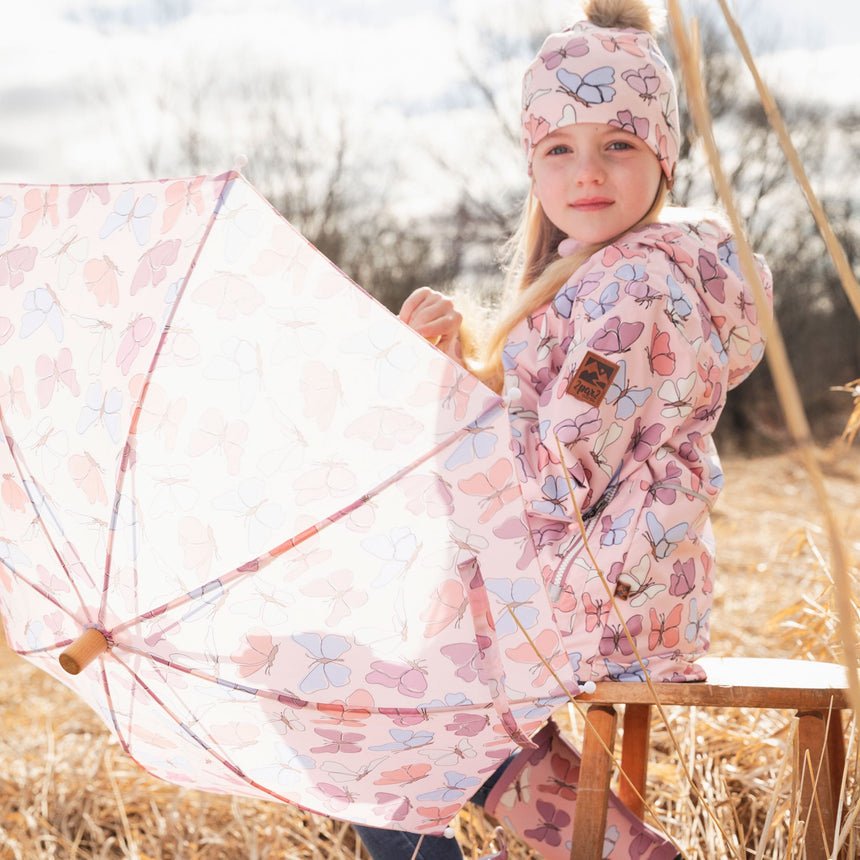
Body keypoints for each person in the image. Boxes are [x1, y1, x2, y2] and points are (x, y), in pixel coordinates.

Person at [356, 0, 772, 856]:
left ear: (662, 156)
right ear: (533, 168)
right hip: (587, 576)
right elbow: (546, 435)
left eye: (617, 143)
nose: (588, 171)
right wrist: (463, 366)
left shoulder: (633, 294)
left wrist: (456, 393)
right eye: (559, 148)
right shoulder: (581, 279)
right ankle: (618, 848)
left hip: (605, 585)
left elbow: (556, 469)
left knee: (376, 727)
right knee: (405, 720)